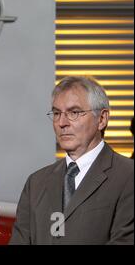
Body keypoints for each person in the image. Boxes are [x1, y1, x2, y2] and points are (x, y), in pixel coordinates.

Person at [10, 76, 134, 245]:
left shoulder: (128, 176)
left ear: (102, 119)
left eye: (74, 113)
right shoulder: (36, 183)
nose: (62, 123)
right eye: (56, 113)